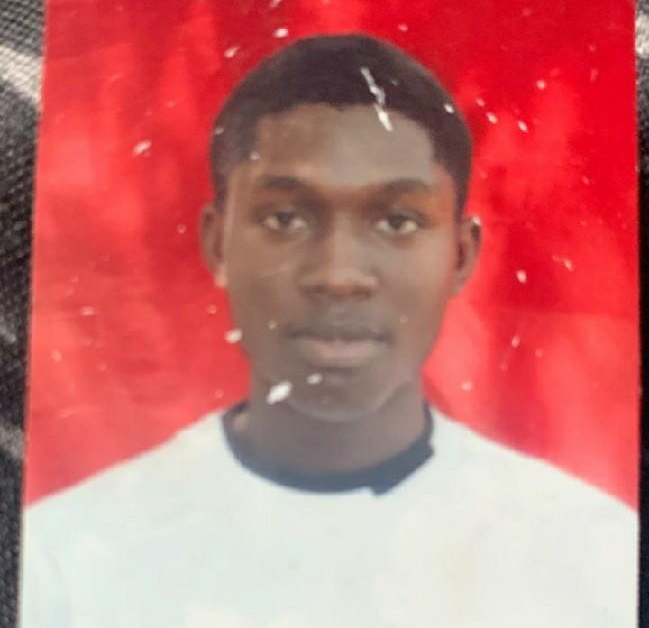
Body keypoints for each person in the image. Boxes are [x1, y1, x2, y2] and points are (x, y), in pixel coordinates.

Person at [21, 34, 637, 628]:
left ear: (460, 255)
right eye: (285, 218)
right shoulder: (66, 560)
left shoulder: (593, 558)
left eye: (397, 221)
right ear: (218, 243)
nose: (339, 276)